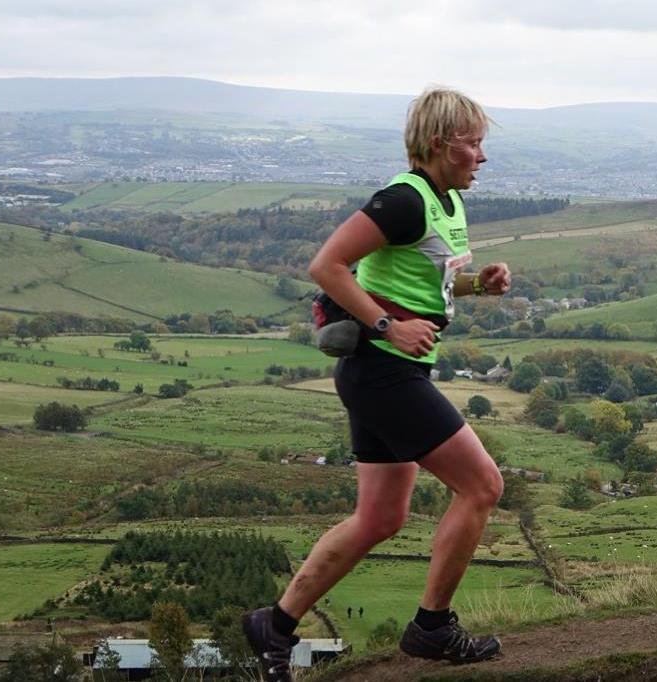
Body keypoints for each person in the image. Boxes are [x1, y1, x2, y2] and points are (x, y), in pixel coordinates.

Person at [242, 86, 510, 679]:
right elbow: (326, 266)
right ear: (441, 144)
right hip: (382, 372)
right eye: (473, 143)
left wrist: (477, 286)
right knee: (483, 485)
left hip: (382, 373)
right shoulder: (404, 199)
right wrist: (387, 327)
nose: (482, 157)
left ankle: (275, 625)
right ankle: (432, 627)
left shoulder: (446, 201)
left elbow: (425, 285)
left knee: (380, 519)